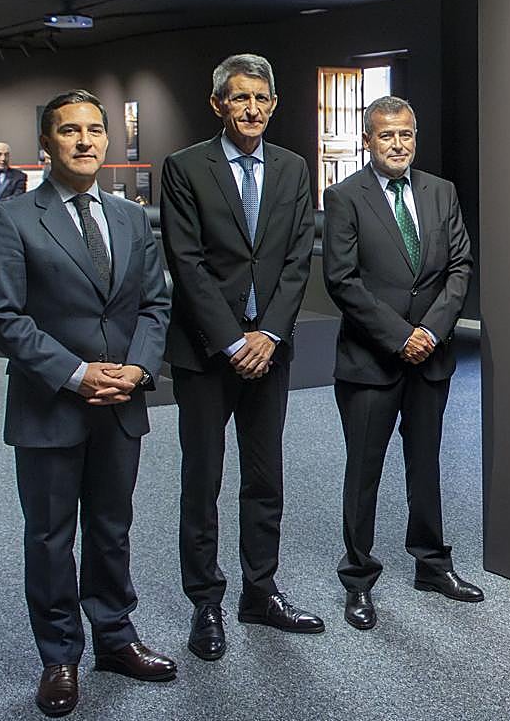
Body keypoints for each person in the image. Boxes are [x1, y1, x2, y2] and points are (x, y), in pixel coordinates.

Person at [0, 90, 174, 717]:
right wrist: (76, 373)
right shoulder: (14, 219)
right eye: (70, 131)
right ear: (47, 143)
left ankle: (115, 638)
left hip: (120, 403)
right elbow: (2, 317)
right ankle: (59, 655)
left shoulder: (128, 217)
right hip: (50, 406)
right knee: (50, 536)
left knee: (112, 530)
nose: (86, 141)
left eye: (95, 130)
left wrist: (138, 368)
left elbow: (155, 304)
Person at [160, 54, 321, 661]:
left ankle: (260, 591)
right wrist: (233, 340)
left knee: (264, 479)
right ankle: (206, 602)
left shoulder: (292, 168)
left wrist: (269, 335)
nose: (252, 109)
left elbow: (296, 260)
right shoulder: (184, 167)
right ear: (218, 105)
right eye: (239, 98)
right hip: (208, 352)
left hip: (270, 351)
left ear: (273, 106)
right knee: (201, 481)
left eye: (262, 99)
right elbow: (188, 261)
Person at [322, 95, 482, 632]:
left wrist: (431, 332)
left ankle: (432, 565)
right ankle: (359, 580)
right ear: (368, 140)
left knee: (427, 466)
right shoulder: (344, 197)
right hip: (371, 362)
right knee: (363, 473)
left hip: (430, 359)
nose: (398, 145)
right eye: (387, 135)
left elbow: (459, 266)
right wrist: (400, 337)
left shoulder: (441, 192)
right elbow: (342, 280)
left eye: (407, 135)